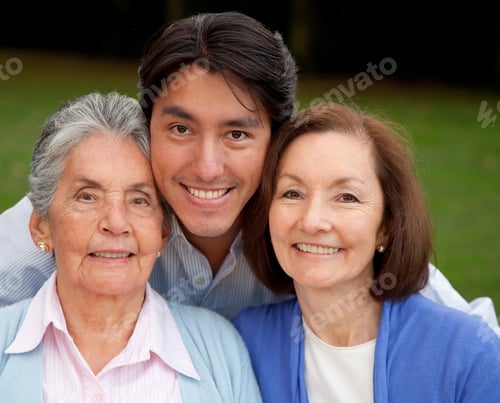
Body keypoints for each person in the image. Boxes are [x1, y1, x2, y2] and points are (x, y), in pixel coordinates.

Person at [0, 12, 498, 325]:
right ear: (145, 125)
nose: (207, 166)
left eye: (238, 134)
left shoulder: (312, 227)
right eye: (180, 130)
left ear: (278, 137)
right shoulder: (84, 213)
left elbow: (472, 333)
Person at [0, 92, 263, 402]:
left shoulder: (221, 348)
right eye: (87, 196)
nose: (116, 222)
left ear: (163, 232)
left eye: (139, 200)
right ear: (40, 226)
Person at [232, 103, 500, 402]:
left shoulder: (468, 352)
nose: (312, 221)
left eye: (347, 197)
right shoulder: (243, 343)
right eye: (292, 193)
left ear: (385, 226)